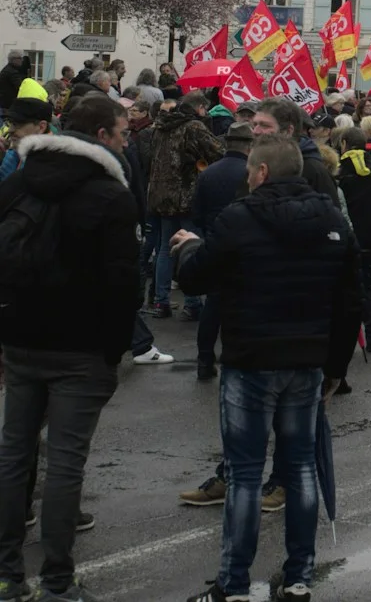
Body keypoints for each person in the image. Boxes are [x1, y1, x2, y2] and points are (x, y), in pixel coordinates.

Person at [174, 134, 362, 602]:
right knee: (299, 468)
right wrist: (335, 366)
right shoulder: (333, 218)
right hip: (305, 362)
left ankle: (235, 584)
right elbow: (350, 300)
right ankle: (299, 575)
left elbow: (194, 277)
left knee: (244, 473)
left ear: (260, 174)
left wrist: (186, 248)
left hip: (251, 360)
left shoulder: (240, 218)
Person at [0, 93, 139, 602]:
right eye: (123, 133)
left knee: (14, 455)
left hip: (19, 338)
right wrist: (114, 349)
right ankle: (57, 580)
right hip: (80, 348)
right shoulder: (110, 195)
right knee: (64, 463)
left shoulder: (18, 179)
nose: (127, 142)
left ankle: (8, 575)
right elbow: (124, 283)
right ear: (102, 136)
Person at [145, 91, 223, 319]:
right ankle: (192, 302)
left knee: (164, 249)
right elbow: (218, 151)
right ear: (198, 107)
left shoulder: (161, 125)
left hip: (161, 193)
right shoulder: (193, 127)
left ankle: (161, 302)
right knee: (189, 246)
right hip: (186, 193)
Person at [190, 122, 255, 381]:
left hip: (214, 243)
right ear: (250, 146)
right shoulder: (252, 174)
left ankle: (205, 359)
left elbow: (196, 214)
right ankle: (237, 360)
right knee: (244, 306)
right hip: (246, 247)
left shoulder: (208, 173)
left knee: (213, 305)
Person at [336, 127, 371, 354]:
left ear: (345, 144)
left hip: (342, 242)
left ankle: (344, 339)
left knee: (342, 290)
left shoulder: (337, 172)